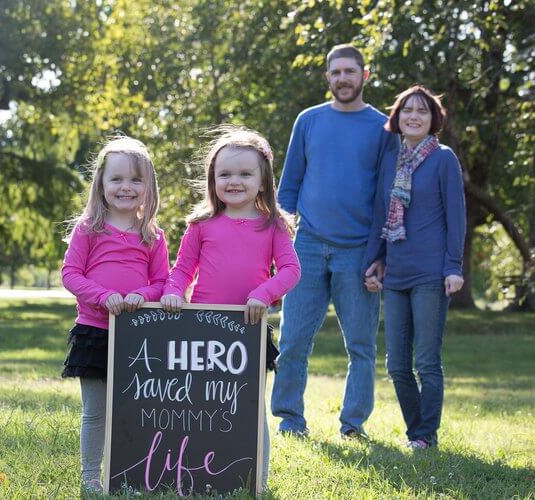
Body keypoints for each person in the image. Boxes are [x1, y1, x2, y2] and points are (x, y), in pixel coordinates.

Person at [160, 125, 300, 488]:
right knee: (202, 409)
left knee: (249, 410)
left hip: (248, 331)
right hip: (202, 331)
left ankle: (257, 483)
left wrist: (263, 293)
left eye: (244, 173)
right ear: (212, 180)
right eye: (225, 174)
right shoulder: (201, 225)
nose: (234, 181)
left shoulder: (273, 226)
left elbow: (290, 270)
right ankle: (197, 474)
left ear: (263, 179)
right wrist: (174, 292)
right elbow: (181, 271)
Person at [271, 44, 398, 439]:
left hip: (359, 251)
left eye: (350, 71)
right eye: (335, 72)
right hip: (307, 244)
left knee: (361, 345)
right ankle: (290, 419)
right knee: (293, 340)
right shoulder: (308, 121)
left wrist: (382, 255)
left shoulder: (384, 128)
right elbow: (288, 187)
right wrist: (280, 240)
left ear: (365, 75)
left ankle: (353, 424)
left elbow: (389, 196)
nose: (342, 78)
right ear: (327, 78)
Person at [60, 136, 169, 494]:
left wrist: (142, 295)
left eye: (136, 180)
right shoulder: (88, 228)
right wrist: (104, 297)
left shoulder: (152, 235)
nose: (126, 187)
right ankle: (91, 475)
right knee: (95, 411)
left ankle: (131, 475)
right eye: (117, 179)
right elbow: (71, 274)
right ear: (101, 184)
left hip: (138, 338)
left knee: (134, 409)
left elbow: (163, 283)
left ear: (148, 185)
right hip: (94, 331)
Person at [363, 85, 466, 450]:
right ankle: (418, 432)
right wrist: (375, 260)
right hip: (396, 273)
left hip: (431, 274)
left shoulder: (444, 159)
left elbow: (456, 217)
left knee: (426, 362)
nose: (414, 116)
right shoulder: (391, 159)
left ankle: (424, 435)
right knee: (396, 366)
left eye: (422, 111)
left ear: (433, 118)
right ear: (397, 116)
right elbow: (380, 214)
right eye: (408, 110)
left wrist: (453, 266)